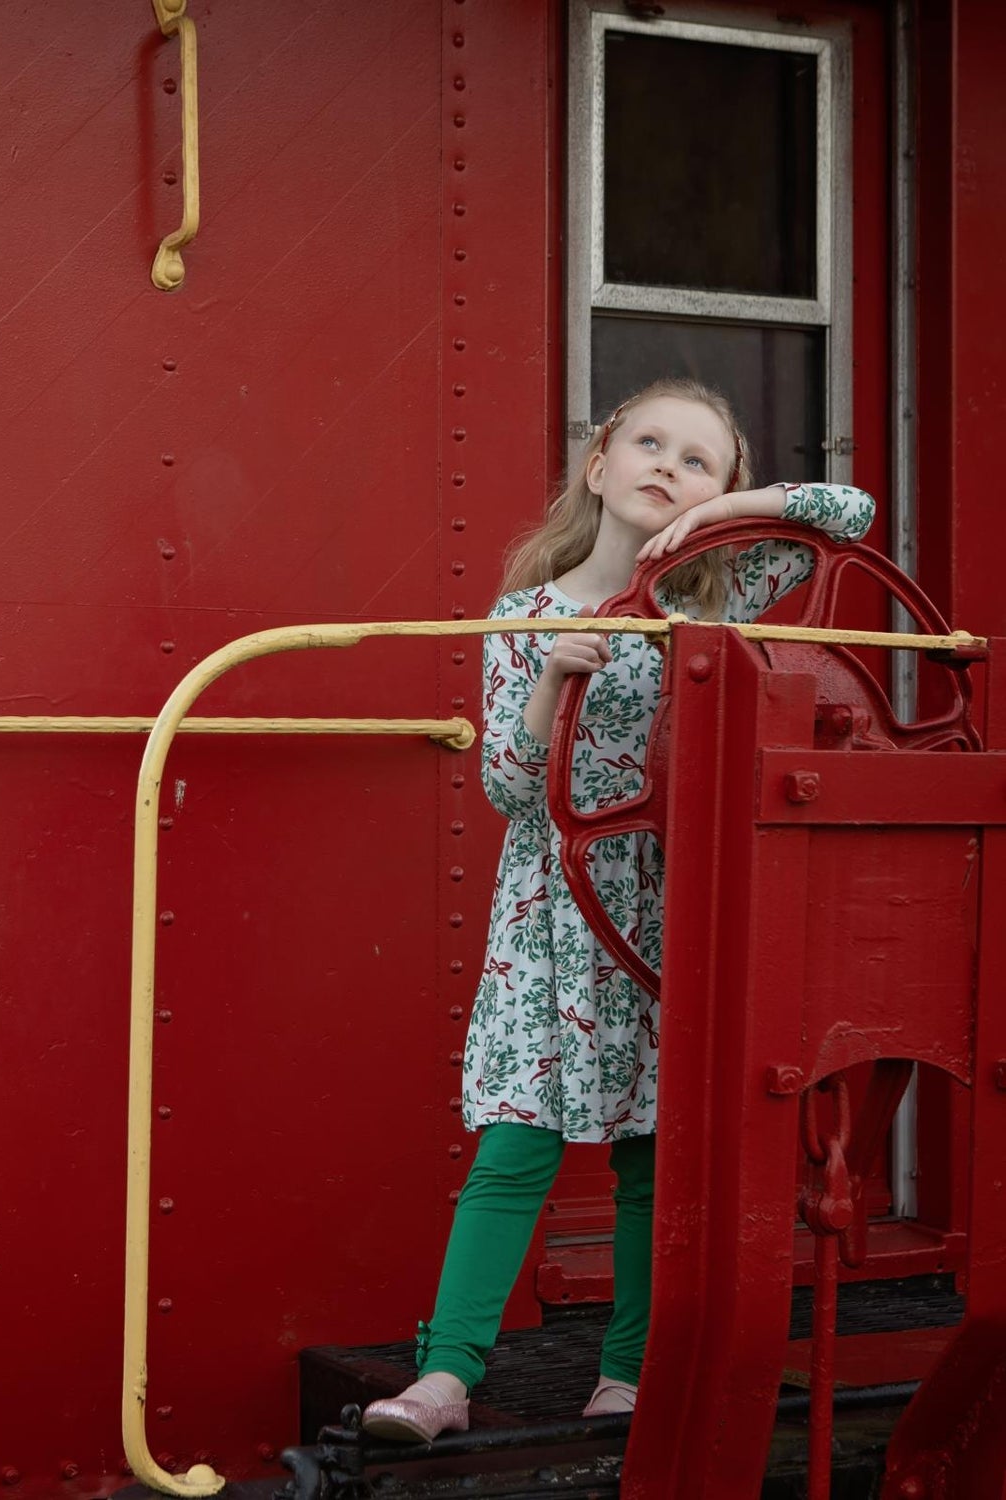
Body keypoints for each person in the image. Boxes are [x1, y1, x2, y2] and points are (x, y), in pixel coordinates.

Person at [362, 378, 875, 1441]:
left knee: (653, 1151)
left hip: (667, 909)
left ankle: (626, 1376)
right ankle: (447, 1376)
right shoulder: (525, 616)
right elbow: (510, 787)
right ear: (598, 464)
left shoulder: (718, 603)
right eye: (649, 444)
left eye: (698, 460)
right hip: (553, 916)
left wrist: (719, 518)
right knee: (517, 1146)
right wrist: (553, 677)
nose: (667, 469)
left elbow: (853, 515)